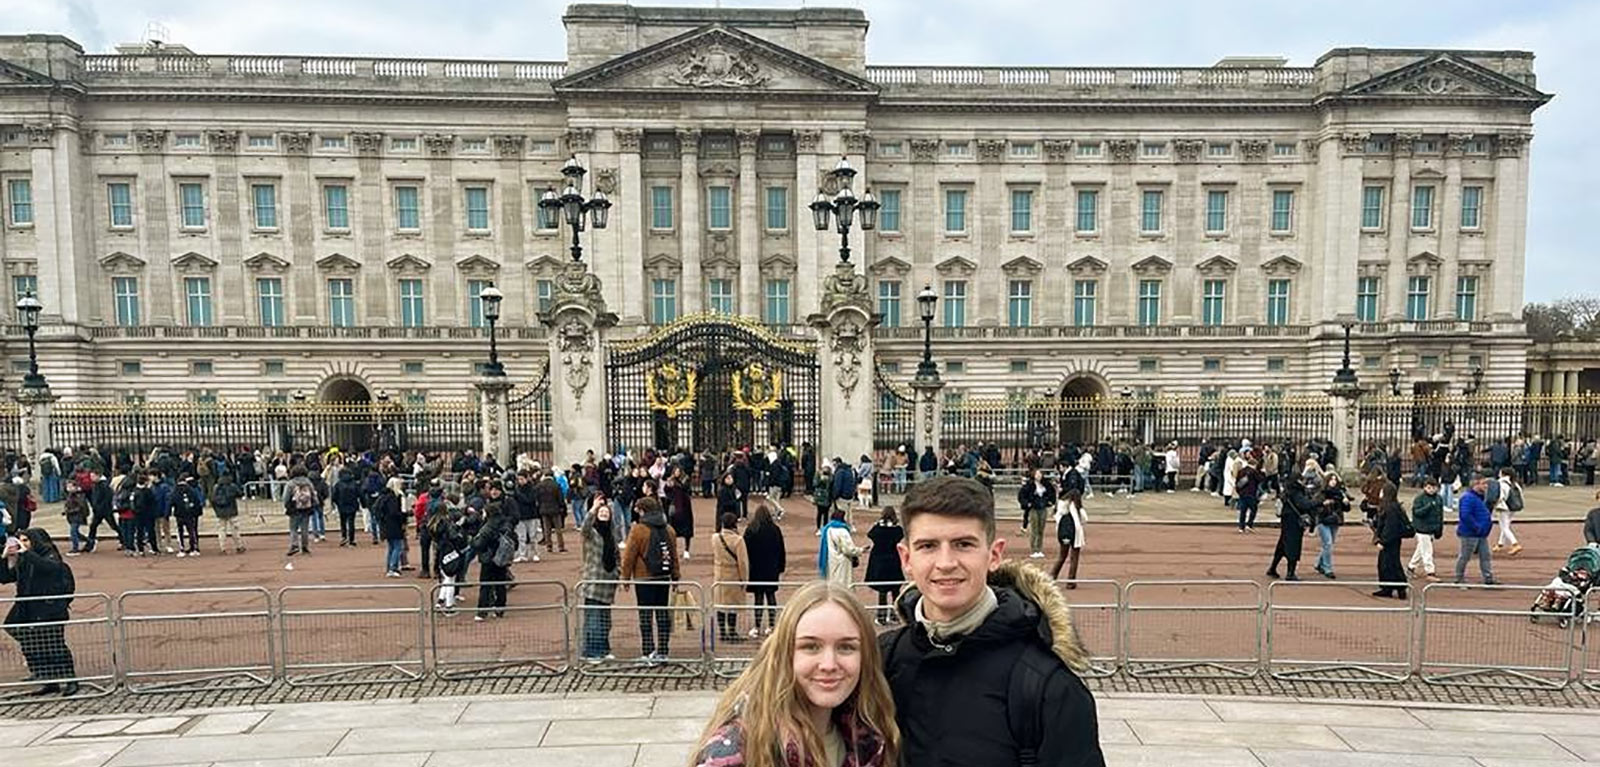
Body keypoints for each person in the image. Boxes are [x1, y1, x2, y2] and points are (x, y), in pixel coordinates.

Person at [878, 476, 1103, 766]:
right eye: (928, 546)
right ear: (906, 558)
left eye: (963, 544)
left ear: (994, 555)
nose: (945, 563)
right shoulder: (880, 660)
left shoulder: (1048, 687)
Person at [691, 581, 899, 767]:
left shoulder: (871, 737)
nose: (829, 664)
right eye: (811, 647)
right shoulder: (734, 752)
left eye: (846, 647)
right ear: (785, 653)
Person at [1, 528, 78, 696]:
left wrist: (26, 553)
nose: (23, 544)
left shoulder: (49, 556)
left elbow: (48, 568)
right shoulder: (24, 559)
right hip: (27, 606)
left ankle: (70, 679)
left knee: (54, 644)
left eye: (26, 540)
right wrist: (6, 558)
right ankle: (47, 678)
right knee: (25, 636)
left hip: (49, 608)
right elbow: (5, 577)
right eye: (21, 540)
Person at [621, 496, 680, 662]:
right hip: (663, 576)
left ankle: (648, 650)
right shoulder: (669, 529)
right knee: (662, 614)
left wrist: (625, 577)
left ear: (643, 511)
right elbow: (674, 555)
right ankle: (663, 650)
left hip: (644, 577)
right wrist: (675, 576)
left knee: (645, 616)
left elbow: (629, 556)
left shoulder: (638, 530)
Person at [578, 502, 620, 662]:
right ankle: (591, 652)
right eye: (601, 512)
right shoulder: (592, 533)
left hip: (608, 584)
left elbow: (617, 556)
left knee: (605, 621)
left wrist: (617, 572)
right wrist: (593, 508)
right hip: (594, 583)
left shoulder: (612, 535)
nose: (604, 514)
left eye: (606, 513)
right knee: (593, 620)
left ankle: (603, 649)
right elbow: (584, 528)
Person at [743, 501, 786, 638]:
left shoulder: (751, 530)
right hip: (771, 569)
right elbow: (781, 549)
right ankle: (771, 625)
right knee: (771, 596)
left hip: (756, 569)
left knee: (758, 599)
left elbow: (745, 550)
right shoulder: (775, 530)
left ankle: (757, 626)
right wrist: (781, 566)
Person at [471, 499, 516, 622]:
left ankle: (482, 611)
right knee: (500, 584)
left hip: (488, 558)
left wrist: (472, 541)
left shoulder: (488, 527)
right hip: (502, 557)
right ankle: (500, 608)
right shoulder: (506, 523)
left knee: (485, 585)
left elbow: (478, 544)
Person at [712, 512, 751, 644]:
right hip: (733, 575)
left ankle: (722, 632)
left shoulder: (715, 538)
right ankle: (732, 631)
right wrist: (744, 580)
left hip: (719, 574)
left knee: (721, 604)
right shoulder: (738, 540)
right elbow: (743, 562)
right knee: (732, 606)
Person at [864, 507, 904, 625]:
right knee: (895, 590)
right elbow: (900, 535)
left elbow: (870, 534)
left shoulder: (878, 529)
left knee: (882, 590)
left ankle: (881, 616)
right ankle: (895, 615)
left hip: (879, 560)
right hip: (893, 559)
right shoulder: (897, 529)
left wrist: (878, 524)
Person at [1454, 474, 1497, 585]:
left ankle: (1488, 578)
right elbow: (1465, 515)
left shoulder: (1480, 497)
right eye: (1483, 483)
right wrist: (1477, 527)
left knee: (1485, 556)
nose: (1486, 486)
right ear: (1475, 484)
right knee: (1465, 556)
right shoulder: (1468, 498)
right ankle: (1459, 578)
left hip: (1480, 533)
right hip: (1470, 533)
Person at [1371, 482, 1412, 599]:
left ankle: (1397, 587)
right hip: (1393, 540)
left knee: (1390, 564)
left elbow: (1390, 527)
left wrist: (1383, 541)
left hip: (1390, 541)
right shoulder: (1392, 506)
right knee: (1387, 564)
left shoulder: (1391, 508)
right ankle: (1388, 587)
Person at [1268, 479, 1314, 581]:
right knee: (1293, 547)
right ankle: (1290, 573)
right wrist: (1317, 502)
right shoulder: (1296, 492)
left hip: (1286, 521)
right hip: (1294, 523)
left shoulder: (1287, 490)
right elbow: (1304, 504)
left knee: (1282, 546)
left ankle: (1273, 568)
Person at [1313, 472, 1351, 579]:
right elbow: (1316, 506)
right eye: (1331, 479)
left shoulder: (1340, 493)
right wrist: (1324, 504)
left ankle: (1319, 563)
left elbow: (1346, 509)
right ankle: (1327, 568)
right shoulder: (1322, 493)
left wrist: (1345, 503)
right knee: (1328, 543)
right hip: (1323, 521)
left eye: (1335, 479)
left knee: (1328, 544)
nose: (1333, 482)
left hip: (1335, 521)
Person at [1409, 478, 1445, 581]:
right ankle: (1430, 572)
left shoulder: (1439, 499)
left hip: (1432, 529)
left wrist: (1439, 529)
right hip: (1422, 529)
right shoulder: (1419, 499)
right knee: (1427, 551)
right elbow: (1417, 512)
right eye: (1429, 487)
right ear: (1425, 488)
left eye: (1433, 487)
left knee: (1421, 550)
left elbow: (1440, 515)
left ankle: (1411, 567)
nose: (1431, 490)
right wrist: (1428, 507)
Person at [1051, 488, 1087, 585]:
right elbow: (1084, 518)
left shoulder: (1061, 504)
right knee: (1074, 558)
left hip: (1063, 532)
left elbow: (1056, 516)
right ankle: (1071, 580)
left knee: (1062, 556)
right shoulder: (1076, 506)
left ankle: (1052, 576)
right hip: (1075, 533)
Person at [820, 508, 864, 588]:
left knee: (832, 584)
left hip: (830, 559)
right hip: (842, 562)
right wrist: (860, 550)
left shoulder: (827, 529)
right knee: (844, 585)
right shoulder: (842, 531)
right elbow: (848, 549)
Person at [1018, 469, 1056, 559]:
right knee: (1034, 529)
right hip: (1033, 508)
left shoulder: (1046, 484)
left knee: (1041, 529)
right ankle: (1034, 549)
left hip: (1043, 508)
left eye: (1040, 474)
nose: (1039, 476)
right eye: (1037, 474)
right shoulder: (1029, 485)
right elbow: (1021, 495)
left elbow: (1052, 493)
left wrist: (1050, 502)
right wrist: (1027, 504)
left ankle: (1039, 549)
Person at [376, 476, 407, 578]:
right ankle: (393, 567)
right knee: (397, 547)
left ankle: (389, 566)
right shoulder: (393, 498)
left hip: (386, 524)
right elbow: (394, 513)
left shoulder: (383, 496)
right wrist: (403, 516)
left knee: (391, 547)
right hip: (394, 525)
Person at [1493, 468, 1523, 556]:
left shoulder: (1501, 483)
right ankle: (1500, 544)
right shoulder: (1515, 483)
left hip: (1504, 507)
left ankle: (1515, 543)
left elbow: (1501, 496)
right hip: (1512, 507)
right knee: (1506, 525)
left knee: (1504, 527)